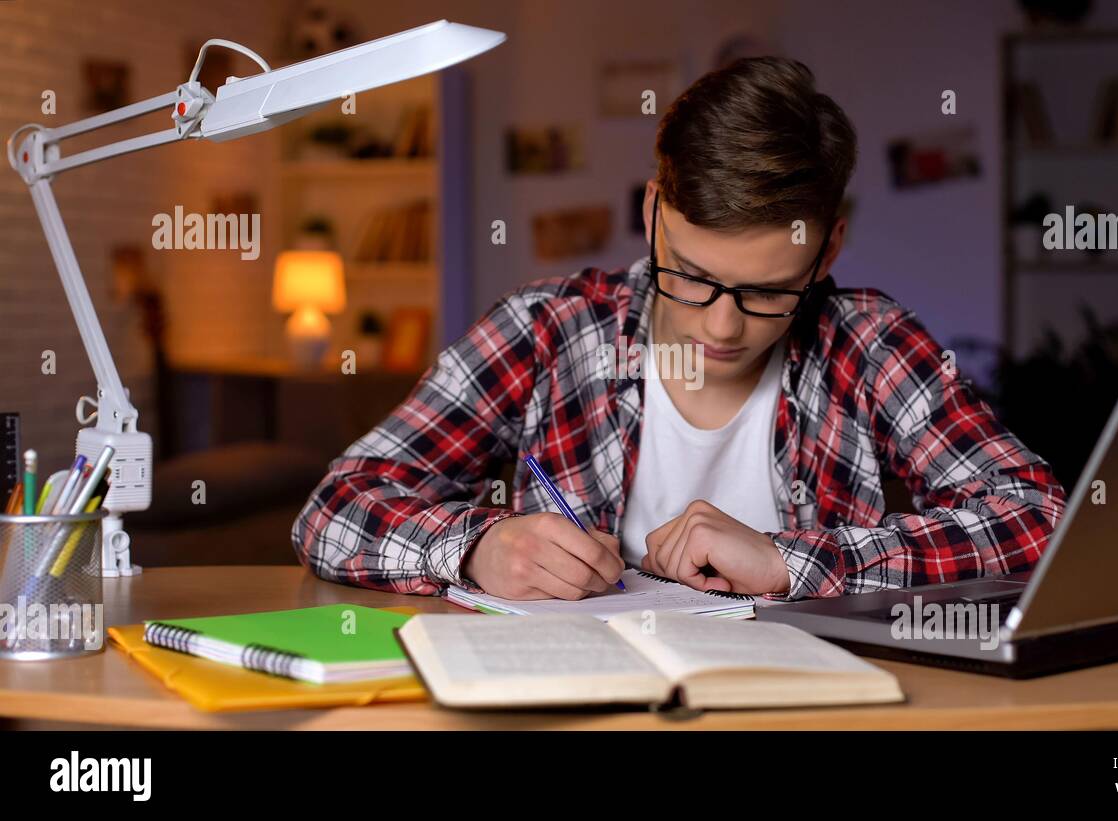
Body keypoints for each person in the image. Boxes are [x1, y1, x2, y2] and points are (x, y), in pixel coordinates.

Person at [292, 57, 1065, 602]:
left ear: (827, 247)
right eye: (692, 276)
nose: (723, 327)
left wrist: (790, 562)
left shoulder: (869, 340)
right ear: (653, 211)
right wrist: (474, 547)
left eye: (769, 292)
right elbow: (334, 505)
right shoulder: (545, 329)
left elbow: (1037, 520)